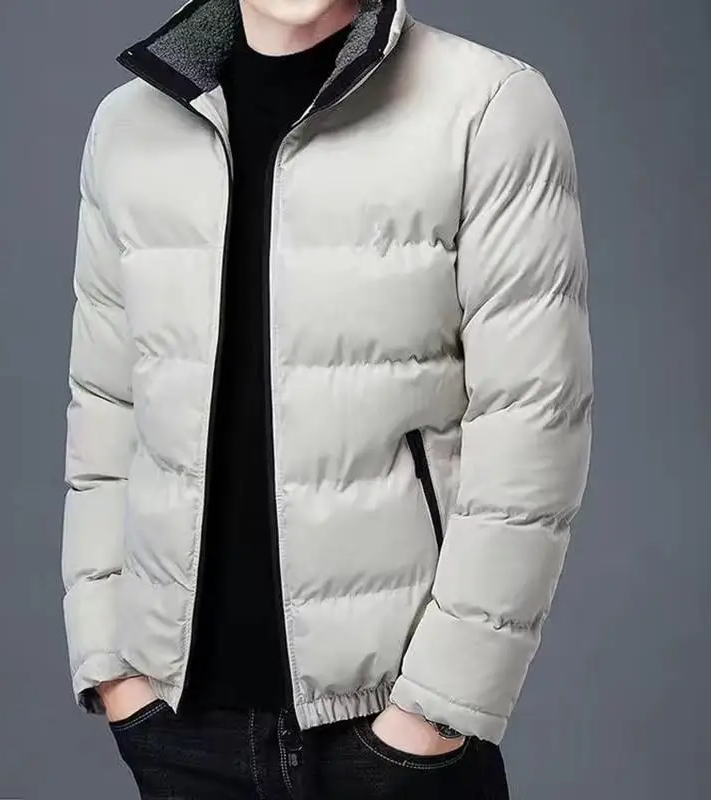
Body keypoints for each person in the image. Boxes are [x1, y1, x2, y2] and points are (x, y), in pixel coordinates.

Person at [60, 0, 593, 796]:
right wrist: (110, 667)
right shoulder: (128, 128)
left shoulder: (488, 108)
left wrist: (436, 711)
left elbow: (533, 425)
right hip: (180, 732)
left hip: (393, 737)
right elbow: (107, 408)